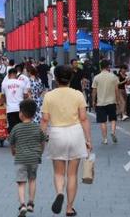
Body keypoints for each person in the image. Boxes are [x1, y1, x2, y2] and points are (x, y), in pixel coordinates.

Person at [40, 65, 91, 216]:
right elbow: (83, 119)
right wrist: (88, 140)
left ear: (55, 78)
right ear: (71, 78)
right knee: (72, 174)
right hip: (75, 133)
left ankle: (59, 193)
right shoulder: (78, 95)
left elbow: (44, 120)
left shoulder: (49, 96)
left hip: (56, 133)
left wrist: (41, 140)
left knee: (58, 173)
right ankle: (69, 208)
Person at [9, 99, 47, 217]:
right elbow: (42, 141)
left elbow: (12, 143)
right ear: (34, 114)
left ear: (21, 114)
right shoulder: (37, 128)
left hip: (20, 159)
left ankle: (22, 204)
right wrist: (40, 152)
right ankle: (31, 203)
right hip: (34, 159)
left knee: (21, 183)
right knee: (32, 180)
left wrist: (13, 152)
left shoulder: (16, 128)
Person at [91, 60, 119, 145]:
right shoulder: (113, 77)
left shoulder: (96, 77)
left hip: (100, 102)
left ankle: (105, 139)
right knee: (113, 119)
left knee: (103, 121)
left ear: (100, 67)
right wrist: (117, 100)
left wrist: (93, 101)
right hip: (111, 101)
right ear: (108, 67)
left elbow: (94, 91)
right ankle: (113, 132)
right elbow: (116, 90)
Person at [2, 68, 29, 133]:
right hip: (20, 109)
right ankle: (20, 140)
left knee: (12, 127)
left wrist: (5, 102)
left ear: (8, 75)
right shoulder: (22, 83)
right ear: (16, 74)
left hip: (10, 109)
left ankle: (13, 141)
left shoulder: (4, 84)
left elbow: (3, 96)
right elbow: (25, 95)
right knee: (20, 126)